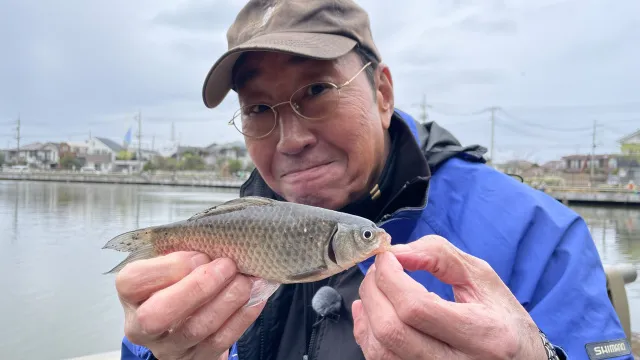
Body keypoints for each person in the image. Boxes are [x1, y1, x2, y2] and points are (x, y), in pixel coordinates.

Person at [116, 1, 633, 359]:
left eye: (316, 88)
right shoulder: (225, 231)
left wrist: (537, 357)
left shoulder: (539, 234)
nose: (291, 138)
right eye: (257, 107)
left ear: (382, 92)